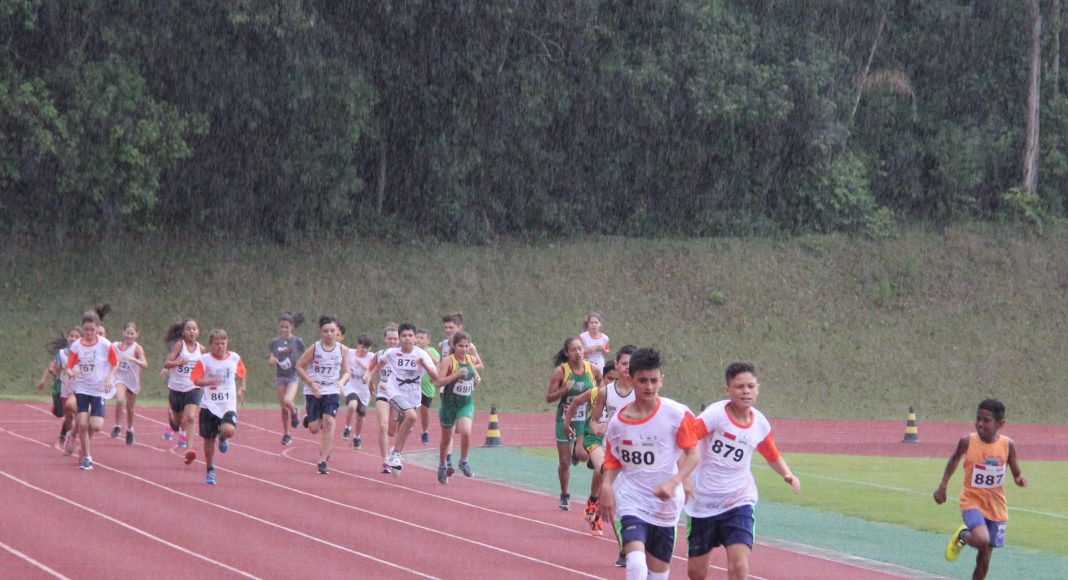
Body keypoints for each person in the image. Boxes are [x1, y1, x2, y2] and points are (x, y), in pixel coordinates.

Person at [685, 362, 801, 580]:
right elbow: (687, 439)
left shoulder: (760, 424)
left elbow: (771, 453)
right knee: (696, 573)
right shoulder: (714, 415)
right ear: (727, 390)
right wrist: (684, 478)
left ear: (757, 389)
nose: (745, 391)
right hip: (703, 502)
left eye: (750, 386)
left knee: (739, 567)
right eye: (739, 387)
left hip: (738, 500)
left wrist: (788, 474)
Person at [599, 347, 699, 580]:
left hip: (666, 504)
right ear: (631, 379)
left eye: (654, 381)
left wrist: (676, 482)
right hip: (632, 500)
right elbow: (613, 459)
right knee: (636, 566)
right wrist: (606, 486)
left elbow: (693, 455)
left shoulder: (676, 414)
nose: (649, 387)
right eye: (642, 380)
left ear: (662, 380)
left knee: (657, 575)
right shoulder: (618, 422)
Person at [934, 398, 1027, 580]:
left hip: (996, 506)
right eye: (978, 418)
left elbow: (1016, 470)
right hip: (972, 501)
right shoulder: (967, 441)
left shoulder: (1007, 445)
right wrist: (943, 485)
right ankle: (963, 535)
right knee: (982, 540)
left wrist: (1019, 478)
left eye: (986, 420)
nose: (980, 424)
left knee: (985, 556)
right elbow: (954, 459)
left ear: (1000, 424)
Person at [565, 345, 637, 546]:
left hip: (623, 444)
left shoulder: (641, 392)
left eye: (631, 364)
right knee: (606, 472)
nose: (627, 368)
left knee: (608, 476)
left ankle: (593, 503)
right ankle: (599, 513)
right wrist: (567, 424)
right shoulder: (602, 392)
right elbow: (587, 414)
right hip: (597, 439)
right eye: (624, 364)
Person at [367, 322, 439, 476]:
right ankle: (395, 456)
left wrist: (424, 366)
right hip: (393, 391)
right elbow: (379, 364)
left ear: (414, 338)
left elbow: (435, 377)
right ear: (400, 338)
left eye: (410, 335)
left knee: (404, 427)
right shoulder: (392, 353)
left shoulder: (421, 354)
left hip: (412, 395)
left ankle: (396, 453)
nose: (407, 338)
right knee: (411, 416)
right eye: (404, 336)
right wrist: (371, 380)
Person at [546, 336, 603, 511]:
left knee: (583, 455)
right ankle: (564, 494)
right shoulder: (561, 372)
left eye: (580, 348)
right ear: (566, 353)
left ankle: (579, 453)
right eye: (573, 350)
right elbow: (549, 398)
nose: (577, 352)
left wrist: (599, 399)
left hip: (584, 419)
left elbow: (602, 384)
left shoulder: (592, 369)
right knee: (564, 463)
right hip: (565, 419)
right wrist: (564, 389)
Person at [63, 310, 120, 470]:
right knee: (82, 423)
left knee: (96, 426)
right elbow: (69, 365)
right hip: (82, 388)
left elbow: (115, 362)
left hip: (98, 389)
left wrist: (109, 378)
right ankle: (87, 457)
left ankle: (77, 438)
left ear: (97, 328)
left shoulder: (105, 344)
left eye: (92, 330)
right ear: (82, 328)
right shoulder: (76, 346)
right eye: (86, 330)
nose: (89, 333)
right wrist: (70, 373)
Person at [190, 328, 246, 485]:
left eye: (223, 343)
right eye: (217, 343)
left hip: (228, 404)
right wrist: (209, 381)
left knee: (229, 430)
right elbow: (195, 379)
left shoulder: (234, 358)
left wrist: (242, 387)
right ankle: (210, 469)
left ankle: (222, 438)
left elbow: (242, 372)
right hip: (209, 405)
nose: (220, 346)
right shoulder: (204, 360)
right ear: (211, 344)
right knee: (208, 439)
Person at [295, 315, 349, 475]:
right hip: (314, 390)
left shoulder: (342, 349)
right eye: (326, 331)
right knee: (314, 428)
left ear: (337, 331)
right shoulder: (315, 348)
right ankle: (310, 419)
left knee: (329, 421)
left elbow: (347, 372)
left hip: (332, 389)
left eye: (332, 331)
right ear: (321, 331)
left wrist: (341, 383)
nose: (329, 334)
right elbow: (299, 366)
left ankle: (323, 460)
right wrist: (311, 383)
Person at [435, 331, 481, 484]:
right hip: (449, 405)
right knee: (446, 439)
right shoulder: (449, 361)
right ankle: (442, 465)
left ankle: (463, 460)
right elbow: (438, 382)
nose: (464, 349)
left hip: (465, 403)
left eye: (466, 346)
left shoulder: (470, 359)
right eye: (461, 346)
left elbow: (473, 376)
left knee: (466, 431)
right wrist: (455, 375)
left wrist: (476, 380)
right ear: (454, 346)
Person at [162, 319, 206, 465]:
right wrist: (178, 363)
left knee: (191, 417)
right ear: (183, 332)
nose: (191, 331)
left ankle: (189, 450)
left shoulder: (201, 349)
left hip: (193, 388)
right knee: (178, 422)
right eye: (188, 329)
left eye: (194, 329)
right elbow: (166, 363)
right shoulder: (179, 346)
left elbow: (204, 367)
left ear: (198, 331)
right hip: (176, 389)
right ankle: (172, 418)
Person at [34, 327, 81, 450]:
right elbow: (54, 369)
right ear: (68, 337)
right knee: (67, 415)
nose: (74, 339)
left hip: (79, 389)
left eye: (77, 336)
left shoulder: (85, 353)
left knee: (76, 412)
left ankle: (71, 437)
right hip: (65, 389)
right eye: (71, 336)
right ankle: (69, 436)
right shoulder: (62, 354)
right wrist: (44, 380)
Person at [268, 311, 306, 446]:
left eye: (287, 327)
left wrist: (301, 366)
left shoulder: (297, 341)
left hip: (293, 375)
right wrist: (272, 360)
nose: (284, 329)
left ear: (292, 327)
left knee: (288, 400)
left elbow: (306, 355)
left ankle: (295, 410)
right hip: (280, 376)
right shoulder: (275, 342)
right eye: (282, 327)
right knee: (283, 408)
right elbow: (271, 359)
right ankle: (286, 434)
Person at [109, 322, 147, 445]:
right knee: (120, 400)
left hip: (133, 380)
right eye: (128, 333)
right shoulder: (115, 346)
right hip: (120, 378)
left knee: (130, 408)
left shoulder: (137, 348)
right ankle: (117, 426)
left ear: (137, 334)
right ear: (123, 333)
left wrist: (134, 359)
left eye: (132, 333)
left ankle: (130, 430)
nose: (130, 336)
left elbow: (145, 364)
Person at [341, 332, 374, 450]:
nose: (364, 350)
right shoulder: (349, 353)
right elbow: (339, 346)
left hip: (363, 390)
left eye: (367, 347)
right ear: (358, 345)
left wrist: (366, 376)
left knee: (360, 417)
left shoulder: (371, 357)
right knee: (352, 405)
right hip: (351, 386)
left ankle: (357, 436)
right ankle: (347, 427)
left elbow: (372, 371)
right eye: (362, 347)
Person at [415, 328, 441, 446]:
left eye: (422, 338)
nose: (419, 340)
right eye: (417, 337)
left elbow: (439, 365)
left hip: (427, 387)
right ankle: (407, 425)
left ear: (428, 341)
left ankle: (425, 431)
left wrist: (430, 356)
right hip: (412, 385)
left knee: (424, 411)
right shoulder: (411, 351)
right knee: (409, 409)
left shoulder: (432, 351)